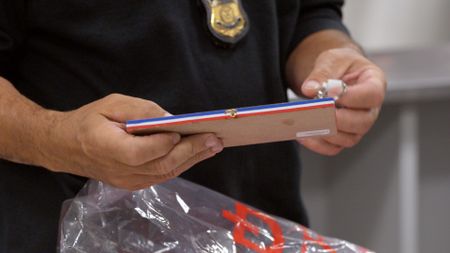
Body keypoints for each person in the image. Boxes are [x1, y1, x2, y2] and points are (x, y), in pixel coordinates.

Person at [0, 0, 386, 252]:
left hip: (255, 231)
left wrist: (335, 59)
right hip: (78, 234)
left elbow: (308, 13)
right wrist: (55, 138)